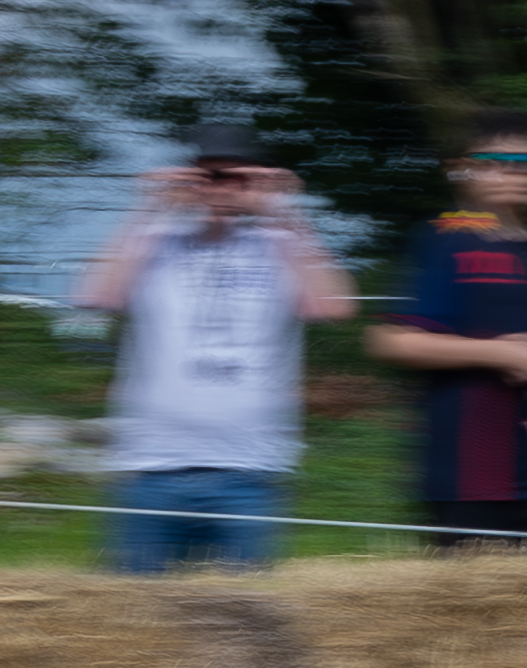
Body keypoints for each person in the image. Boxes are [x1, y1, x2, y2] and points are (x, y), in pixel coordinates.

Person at [72, 122, 355, 572]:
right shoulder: (154, 242)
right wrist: (148, 210)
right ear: (190, 178)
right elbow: (95, 296)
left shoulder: (281, 244)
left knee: (244, 623)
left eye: (237, 177)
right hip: (153, 465)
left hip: (248, 469)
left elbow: (334, 307)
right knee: (134, 620)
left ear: (260, 179)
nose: (223, 188)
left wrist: (284, 212)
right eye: (210, 176)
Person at [366, 116, 527, 547]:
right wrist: (504, 355)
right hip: (468, 470)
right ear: (464, 169)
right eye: (505, 160)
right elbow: (391, 340)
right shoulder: (448, 238)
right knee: (472, 606)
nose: (526, 172)